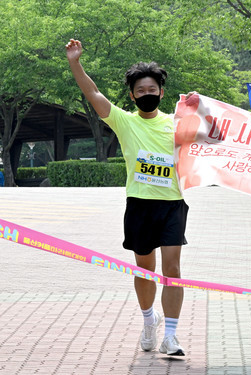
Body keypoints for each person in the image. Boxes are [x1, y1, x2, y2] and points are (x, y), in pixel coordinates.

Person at [66, 39, 190, 356]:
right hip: (139, 206)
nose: (147, 95)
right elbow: (93, 95)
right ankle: (150, 322)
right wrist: (75, 63)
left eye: (152, 90)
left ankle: (171, 336)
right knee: (144, 269)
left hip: (172, 205)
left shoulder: (177, 124)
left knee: (172, 271)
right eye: (140, 91)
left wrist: (201, 111)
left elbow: (214, 137)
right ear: (133, 95)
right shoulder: (125, 121)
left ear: (161, 92)